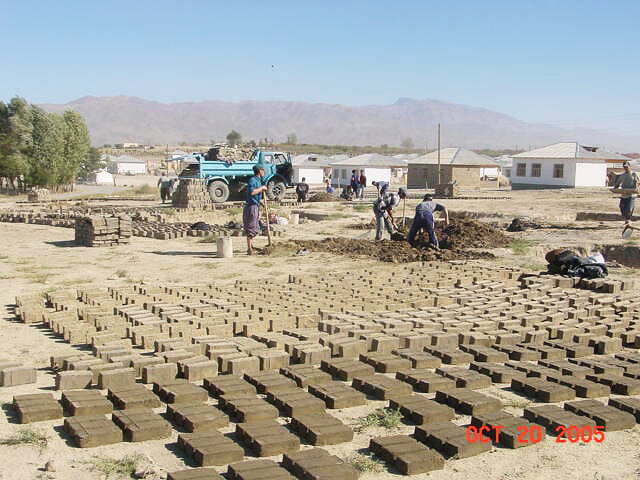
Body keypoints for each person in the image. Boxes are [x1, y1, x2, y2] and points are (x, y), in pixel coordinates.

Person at [244, 165, 268, 255]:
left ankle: (251, 246)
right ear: (259, 171)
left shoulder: (258, 181)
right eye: (263, 170)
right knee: (251, 226)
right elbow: (252, 192)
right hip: (251, 207)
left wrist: (262, 204)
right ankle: (249, 249)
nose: (264, 172)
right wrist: (262, 188)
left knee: (254, 225)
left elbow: (256, 196)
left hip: (255, 205)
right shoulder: (253, 180)